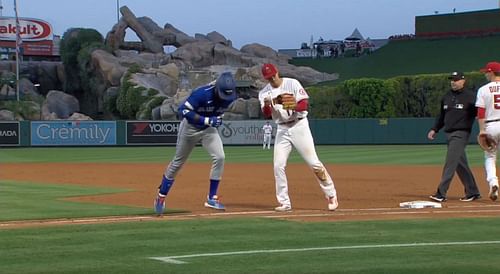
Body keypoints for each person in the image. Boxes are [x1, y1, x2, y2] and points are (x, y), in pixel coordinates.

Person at [258, 63, 339, 212]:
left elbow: (303, 105)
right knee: (278, 166)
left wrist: (289, 104)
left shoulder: (292, 83)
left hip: (299, 126)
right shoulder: (264, 93)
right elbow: (267, 114)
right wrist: (267, 105)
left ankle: (331, 194)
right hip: (282, 128)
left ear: (277, 72)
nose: (272, 79)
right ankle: (284, 202)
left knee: (314, 163)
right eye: (268, 78)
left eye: (273, 76)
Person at [154, 72, 237, 214]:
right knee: (178, 162)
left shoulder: (230, 96)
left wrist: (217, 118)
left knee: (220, 157)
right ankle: (161, 196)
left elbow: (219, 111)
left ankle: (211, 198)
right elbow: (183, 110)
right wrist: (207, 120)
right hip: (190, 129)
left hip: (208, 130)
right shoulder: (202, 94)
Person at [428, 71, 481, 202]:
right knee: (460, 164)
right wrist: (435, 129)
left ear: (463, 81)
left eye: (456, 80)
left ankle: (441, 193)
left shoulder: (471, 97)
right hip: (449, 133)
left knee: (450, 163)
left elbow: (480, 113)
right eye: (452, 79)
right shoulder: (447, 96)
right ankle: (472, 192)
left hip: (461, 133)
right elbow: (441, 116)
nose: (453, 82)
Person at [475, 61, 500, 201]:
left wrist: (482, 130)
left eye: (486, 71)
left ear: (491, 72)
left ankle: (493, 183)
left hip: (491, 126)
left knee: (490, 157)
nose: (485, 74)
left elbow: (481, 112)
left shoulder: (483, 89)